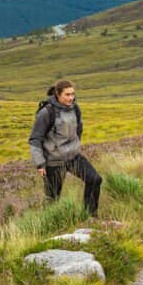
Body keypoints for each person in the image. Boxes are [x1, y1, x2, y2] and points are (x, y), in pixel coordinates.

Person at [29, 79, 102, 216]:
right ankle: (48, 224)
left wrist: (75, 146)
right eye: (67, 95)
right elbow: (35, 139)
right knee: (52, 199)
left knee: (95, 179)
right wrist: (40, 163)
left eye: (72, 94)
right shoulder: (47, 112)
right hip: (53, 162)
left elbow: (79, 129)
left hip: (73, 157)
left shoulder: (75, 109)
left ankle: (90, 216)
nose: (71, 98)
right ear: (58, 94)